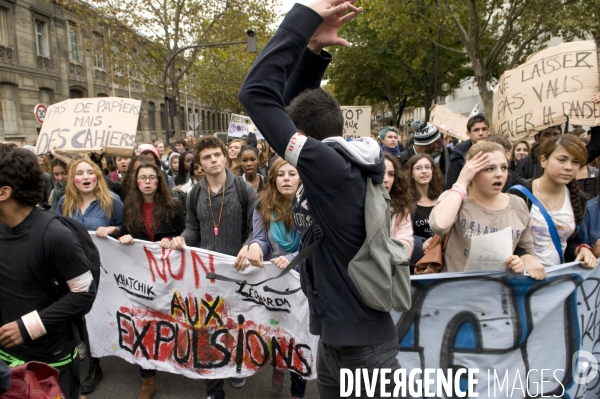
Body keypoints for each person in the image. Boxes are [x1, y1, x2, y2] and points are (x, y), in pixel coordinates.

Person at [238, 1, 403, 396]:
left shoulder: (329, 169)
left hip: (366, 352)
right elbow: (282, 106)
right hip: (335, 342)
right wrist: (311, 51)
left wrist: (301, 17)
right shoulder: (331, 161)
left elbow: (256, 95)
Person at [0, 148, 97, 398]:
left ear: (4, 192)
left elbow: (84, 293)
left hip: (49, 362)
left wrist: (27, 326)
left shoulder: (54, 235)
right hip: (5, 358)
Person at [166, 136, 256, 399]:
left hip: (237, 272)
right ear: (200, 164)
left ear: (226, 157)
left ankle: (236, 365)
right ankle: (213, 389)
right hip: (206, 274)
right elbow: (193, 228)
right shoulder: (195, 193)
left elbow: (255, 230)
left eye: (217, 155)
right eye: (206, 157)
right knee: (207, 327)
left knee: (235, 324)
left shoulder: (243, 189)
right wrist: (183, 239)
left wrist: (248, 246)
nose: (213, 160)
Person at [429, 141, 547, 278]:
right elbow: (439, 226)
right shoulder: (455, 199)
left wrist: (523, 260)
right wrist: (462, 181)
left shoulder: (518, 204)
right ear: (471, 170)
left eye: (503, 168)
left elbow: (525, 249)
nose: (499, 174)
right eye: (489, 169)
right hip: (457, 293)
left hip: (500, 293)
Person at [118, 161, 185, 399]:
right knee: (142, 325)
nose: (147, 182)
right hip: (141, 276)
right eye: (142, 178)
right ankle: (147, 379)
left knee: (171, 321)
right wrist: (121, 236)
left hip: (168, 276)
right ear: (136, 182)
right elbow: (124, 231)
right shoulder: (129, 207)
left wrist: (172, 239)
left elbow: (185, 236)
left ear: (159, 181)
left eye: (151, 178)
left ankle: (178, 359)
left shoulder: (173, 206)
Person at [57, 159, 124, 394]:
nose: (85, 177)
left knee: (101, 314)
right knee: (81, 316)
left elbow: (124, 229)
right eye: (79, 173)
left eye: (90, 172)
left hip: (104, 269)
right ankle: (93, 365)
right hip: (73, 270)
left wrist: (114, 230)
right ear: (72, 178)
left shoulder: (112, 202)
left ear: (97, 176)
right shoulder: (64, 203)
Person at [245, 158, 305, 398]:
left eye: (292, 173)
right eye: (281, 174)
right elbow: (260, 237)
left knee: (298, 337)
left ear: (301, 178)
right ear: (273, 178)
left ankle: (297, 390)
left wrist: (293, 257)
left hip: (303, 281)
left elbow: (316, 245)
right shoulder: (262, 204)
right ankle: (278, 366)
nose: (287, 178)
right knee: (276, 332)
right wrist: (255, 246)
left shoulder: (312, 206)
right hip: (273, 283)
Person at [509, 135, 597, 269]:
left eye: (575, 161)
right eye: (562, 160)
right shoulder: (519, 194)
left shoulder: (578, 198)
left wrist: (580, 249)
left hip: (556, 281)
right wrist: (524, 256)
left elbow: (567, 243)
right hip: (520, 280)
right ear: (544, 160)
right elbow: (503, 241)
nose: (568, 167)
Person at [405, 153, 444, 262]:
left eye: (427, 167)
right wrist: (420, 245)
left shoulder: (443, 199)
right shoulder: (406, 203)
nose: (424, 171)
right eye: (418, 168)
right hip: (416, 261)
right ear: (411, 174)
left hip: (440, 258)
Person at [445, 114, 490, 189]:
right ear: (468, 134)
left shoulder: (497, 151)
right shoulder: (458, 156)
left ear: (488, 131)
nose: (481, 133)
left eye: (484, 129)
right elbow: (451, 185)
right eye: (476, 130)